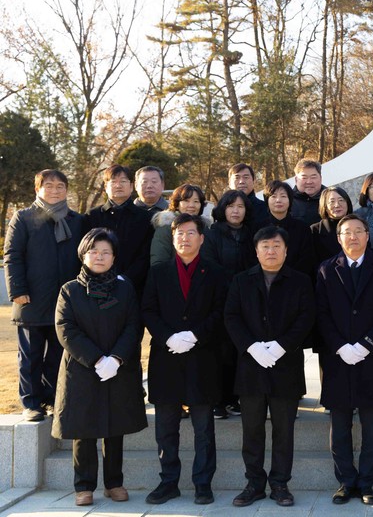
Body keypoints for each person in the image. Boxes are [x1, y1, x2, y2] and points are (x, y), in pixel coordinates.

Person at [52, 228, 147, 506]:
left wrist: (115, 359)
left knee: (115, 428)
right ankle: (84, 486)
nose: (100, 257)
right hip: (82, 368)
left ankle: (114, 483)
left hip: (117, 368)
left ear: (114, 257)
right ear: (83, 255)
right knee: (84, 429)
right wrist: (96, 359)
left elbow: (133, 325)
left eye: (106, 252)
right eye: (94, 251)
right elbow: (65, 329)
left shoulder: (125, 288)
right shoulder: (70, 290)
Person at [224, 226, 316, 508]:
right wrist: (251, 346)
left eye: (277, 246)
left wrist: (281, 346)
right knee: (251, 429)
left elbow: (306, 317)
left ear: (286, 250)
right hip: (251, 367)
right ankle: (254, 483)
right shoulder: (241, 280)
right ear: (256, 251)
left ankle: (280, 484)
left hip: (285, 365)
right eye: (265, 246)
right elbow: (231, 316)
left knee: (283, 430)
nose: (271, 251)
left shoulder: (300, 281)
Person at [142, 214, 227, 506]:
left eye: (191, 233)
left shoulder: (215, 272)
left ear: (202, 238)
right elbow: (148, 310)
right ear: (172, 237)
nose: (185, 238)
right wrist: (168, 337)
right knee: (166, 427)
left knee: (204, 428)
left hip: (202, 358)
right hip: (166, 357)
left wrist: (195, 336)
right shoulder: (158, 272)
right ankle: (168, 482)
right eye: (179, 233)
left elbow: (221, 311)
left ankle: (203, 483)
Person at [316, 214, 373, 506]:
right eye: (346, 232)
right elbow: (321, 312)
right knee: (339, 425)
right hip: (338, 358)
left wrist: (366, 344)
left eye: (358, 231)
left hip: (372, 357)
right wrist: (340, 346)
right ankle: (345, 481)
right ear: (339, 238)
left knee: (372, 426)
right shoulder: (326, 269)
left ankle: (366, 483)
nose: (353, 237)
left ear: (367, 235)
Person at [4, 169, 83, 421]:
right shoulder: (23, 217)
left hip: (65, 300)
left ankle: (51, 399)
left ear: (66, 190)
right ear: (37, 189)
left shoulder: (76, 220)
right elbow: (12, 255)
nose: (55, 190)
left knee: (58, 354)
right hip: (31, 299)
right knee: (31, 356)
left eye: (60, 186)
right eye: (48, 185)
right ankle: (31, 402)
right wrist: (17, 290)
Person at [202, 190, 256, 419]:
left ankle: (235, 399)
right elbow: (210, 265)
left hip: (247, 300)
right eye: (231, 206)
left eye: (240, 207)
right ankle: (218, 401)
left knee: (239, 350)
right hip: (220, 299)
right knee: (220, 352)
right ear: (223, 209)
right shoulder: (212, 234)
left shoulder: (251, 234)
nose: (236, 211)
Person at [85, 164, 154, 297]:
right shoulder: (92, 216)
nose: (118, 185)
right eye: (113, 182)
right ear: (106, 187)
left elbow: (145, 255)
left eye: (123, 181)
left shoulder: (145, 218)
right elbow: (85, 251)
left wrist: (126, 279)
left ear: (131, 186)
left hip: (134, 288)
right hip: (97, 286)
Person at [257, 180, 315, 276]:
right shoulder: (257, 228)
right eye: (273, 196)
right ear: (267, 200)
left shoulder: (302, 228)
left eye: (283, 196)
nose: (278, 200)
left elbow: (307, 259)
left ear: (290, 200)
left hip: (297, 279)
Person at [150, 184, 210, 266]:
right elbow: (159, 261)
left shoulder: (205, 228)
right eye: (186, 201)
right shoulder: (166, 227)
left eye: (196, 201)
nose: (191, 205)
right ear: (177, 204)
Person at [311, 186, 353, 266]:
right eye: (332, 202)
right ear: (325, 206)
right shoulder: (315, 230)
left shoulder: (358, 225)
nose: (337, 205)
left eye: (341, 200)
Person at [227, 163, 269, 228]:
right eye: (237, 178)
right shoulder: (222, 208)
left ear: (254, 181)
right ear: (229, 183)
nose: (241, 181)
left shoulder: (264, 208)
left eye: (246, 177)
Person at [291, 159, 326, 226]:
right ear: (296, 180)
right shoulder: (288, 200)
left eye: (313, 177)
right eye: (304, 178)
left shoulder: (330, 198)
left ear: (321, 178)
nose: (309, 182)